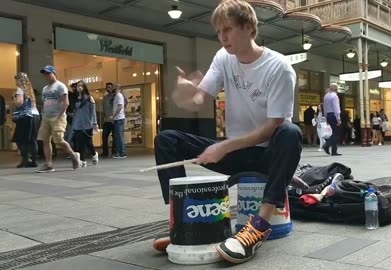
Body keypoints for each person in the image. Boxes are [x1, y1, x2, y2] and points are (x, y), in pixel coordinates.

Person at [152, 0, 301, 264]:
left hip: (270, 155)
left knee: (290, 132)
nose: (222, 37)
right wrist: (188, 94)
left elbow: (273, 126)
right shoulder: (223, 57)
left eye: (228, 30)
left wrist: (224, 146)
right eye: (218, 32)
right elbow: (200, 98)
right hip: (235, 153)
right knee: (166, 139)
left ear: (249, 28)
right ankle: (181, 222)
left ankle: (259, 225)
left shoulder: (279, 67)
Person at [36, 65, 80, 173]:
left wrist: (59, 115)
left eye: (48, 73)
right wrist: (43, 113)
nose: (46, 76)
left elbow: (66, 103)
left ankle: (74, 156)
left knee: (59, 140)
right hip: (46, 117)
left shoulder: (60, 86)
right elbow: (45, 102)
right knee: (45, 140)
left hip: (58, 116)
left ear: (54, 73)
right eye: (44, 74)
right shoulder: (45, 88)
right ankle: (49, 164)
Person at [11, 72, 40, 168]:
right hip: (35, 115)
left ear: (19, 81)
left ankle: (25, 160)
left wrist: (14, 99)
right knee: (32, 139)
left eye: (16, 80)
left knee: (22, 139)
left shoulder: (20, 89)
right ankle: (34, 160)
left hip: (25, 116)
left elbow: (19, 102)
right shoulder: (30, 90)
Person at [72, 80, 99, 167]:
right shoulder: (75, 99)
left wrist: (94, 123)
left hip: (87, 124)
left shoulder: (89, 98)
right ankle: (83, 160)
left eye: (81, 86)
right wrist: (73, 125)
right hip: (77, 124)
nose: (79, 87)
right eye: (78, 86)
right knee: (80, 143)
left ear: (84, 87)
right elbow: (75, 113)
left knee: (88, 143)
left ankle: (94, 154)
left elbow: (93, 112)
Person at [322, 83, 341, 156]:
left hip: (329, 115)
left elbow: (325, 108)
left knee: (334, 133)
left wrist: (326, 117)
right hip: (333, 115)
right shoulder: (335, 96)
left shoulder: (326, 96)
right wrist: (338, 118)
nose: (337, 89)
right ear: (334, 88)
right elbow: (336, 108)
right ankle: (327, 145)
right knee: (335, 133)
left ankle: (334, 151)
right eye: (336, 88)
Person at [110, 84, 127, 159]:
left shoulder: (119, 96)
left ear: (116, 88)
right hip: (118, 118)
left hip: (119, 118)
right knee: (118, 136)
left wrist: (113, 116)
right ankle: (120, 152)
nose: (111, 88)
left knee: (119, 136)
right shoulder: (117, 96)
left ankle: (122, 153)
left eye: (113, 87)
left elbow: (120, 107)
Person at [101, 82, 116, 157]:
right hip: (106, 120)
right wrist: (104, 117)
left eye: (109, 87)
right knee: (104, 136)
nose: (108, 89)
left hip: (113, 120)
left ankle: (114, 151)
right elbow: (104, 108)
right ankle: (105, 152)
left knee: (114, 136)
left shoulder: (115, 96)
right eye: (107, 87)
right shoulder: (105, 97)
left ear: (112, 87)